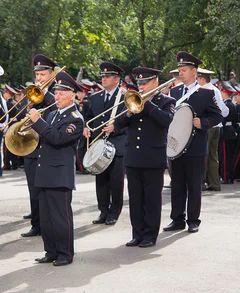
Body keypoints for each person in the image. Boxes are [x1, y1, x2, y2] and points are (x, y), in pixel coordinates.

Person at [29, 71, 84, 266]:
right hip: (45, 171)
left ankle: (65, 253)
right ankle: (50, 251)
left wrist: (38, 122)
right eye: (56, 93)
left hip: (60, 174)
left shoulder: (75, 118)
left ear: (73, 95)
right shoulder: (52, 114)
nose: (57, 97)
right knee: (46, 217)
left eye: (61, 93)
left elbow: (58, 138)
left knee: (61, 217)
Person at [164, 51, 223, 233]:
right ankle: (177, 219)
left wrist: (203, 123)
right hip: (176, 145)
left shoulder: (206, 93)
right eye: (179, 70)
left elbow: (217, 115)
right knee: (177, 184)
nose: (180, 73)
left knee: (194, 185)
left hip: (196, 146)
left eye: (183, 70)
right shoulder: (173, 92)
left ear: (194, 71)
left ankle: (193, 220)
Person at [117, 67, 175, 248]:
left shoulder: (166, 101)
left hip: (153, 158)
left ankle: (150, 235)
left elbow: (167, 120)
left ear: (155, 83)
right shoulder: (131, 100)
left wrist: (148, 104)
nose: (141, 87)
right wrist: (128, 113)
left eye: (145, 83)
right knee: (135, 199)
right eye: (139, 83)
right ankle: (137, 234)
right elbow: (118, 124)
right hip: (133, 157)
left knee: (151, 199)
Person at [82, 62, 127, 226]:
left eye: (107, 77)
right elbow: (88, 116)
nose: (104, 79)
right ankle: (103, 211)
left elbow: (130, 120)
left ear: (117, 79)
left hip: (117, 144)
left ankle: (114, 212)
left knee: (116, 182)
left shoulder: (125, 97)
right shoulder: (95, 97)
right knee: (101, 181)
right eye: (103, 76)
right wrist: (86, 128)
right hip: (98, 143)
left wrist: (116, 127)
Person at [21, 54, 57, 238]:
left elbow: (56, 117)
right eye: (37, 75)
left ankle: (48, 226)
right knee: (33, 191)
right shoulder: (32, 93)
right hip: (31, 148)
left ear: (51, 75)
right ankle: (36, 225)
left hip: (48, 148)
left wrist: (46, 95)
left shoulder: (58, 93)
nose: (39, 79)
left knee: (47, 193)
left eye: (43, 75)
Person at [197, 68, 228, 191]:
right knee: (213, 156)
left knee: (204, 154)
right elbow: (225, 111)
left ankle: (202, 182)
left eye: (198, 79)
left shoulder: (204, 90)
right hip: (217, 126)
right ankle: (214, 183)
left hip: (208, 125)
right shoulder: (216, 90)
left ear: (202, 79)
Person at [220, 81, 238, 184]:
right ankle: (229, 176)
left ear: (225, 93)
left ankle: (226, 177)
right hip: (231, 131)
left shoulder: (226, 105)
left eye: (222, 92)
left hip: (226, 132)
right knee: (229, 155)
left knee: (225, 156)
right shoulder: (232, 104)